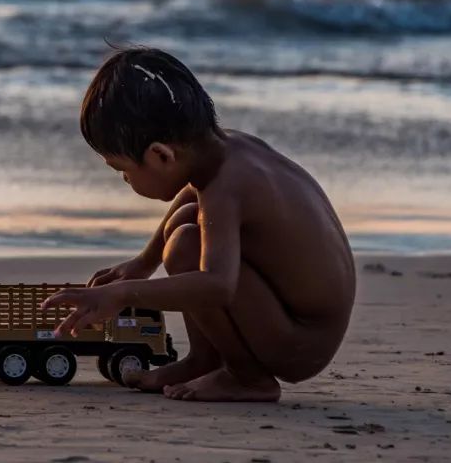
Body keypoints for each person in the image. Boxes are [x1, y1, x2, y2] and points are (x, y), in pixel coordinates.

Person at [41, 46, 356, 402]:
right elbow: (190, 196)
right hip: (297, 322)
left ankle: (247, 378)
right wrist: (144, 262)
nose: (126, 182)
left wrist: (123, 293)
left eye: (123, 171)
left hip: (301, 342)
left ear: (161, 155)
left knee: (186, 247)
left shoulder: (227, 188)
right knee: (187, 226)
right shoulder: (227, 149)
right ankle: (205, 361)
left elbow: (218, 286)